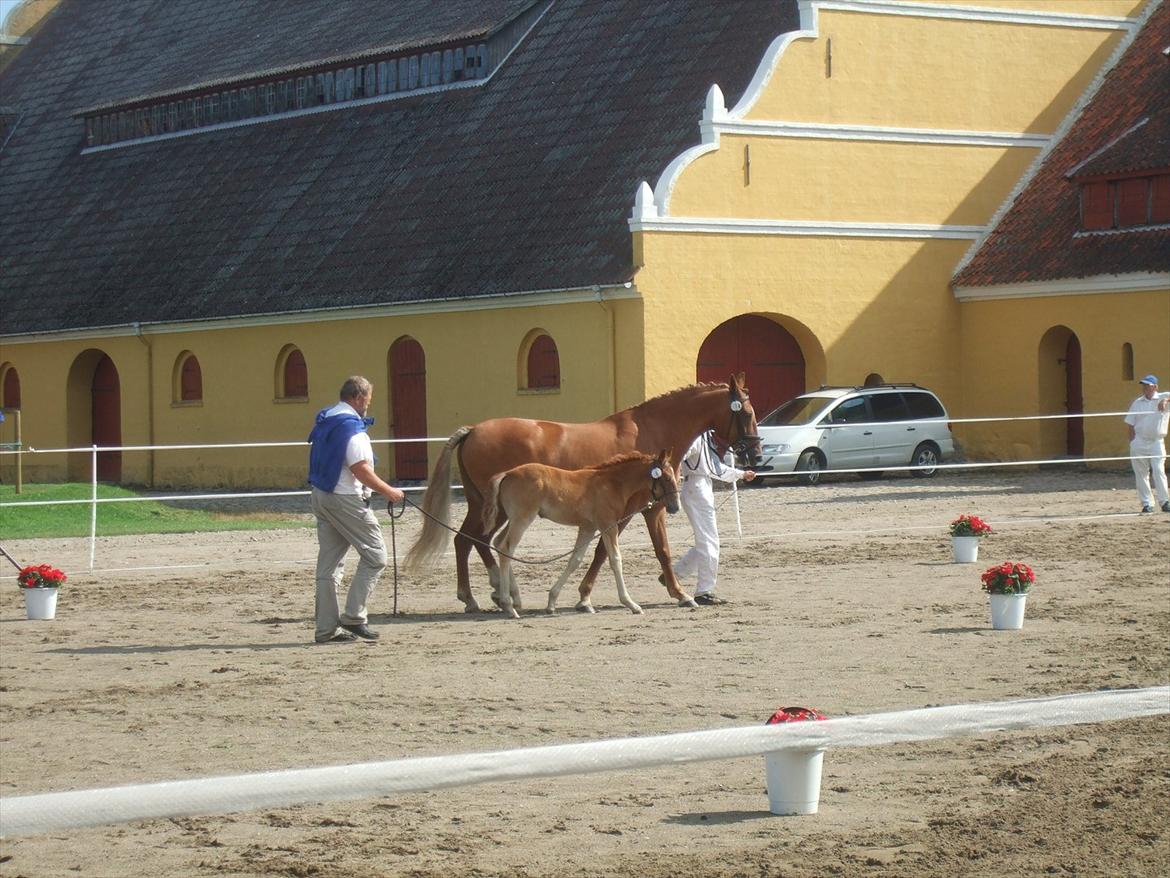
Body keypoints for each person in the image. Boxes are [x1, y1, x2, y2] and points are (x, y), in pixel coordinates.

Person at [308, 376, 404, 643]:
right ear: (358, 397)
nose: (368, 406)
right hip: (346, 499)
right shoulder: (352, 429)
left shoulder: (326, 419)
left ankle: (326, 629)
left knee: (328, 567)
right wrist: (390, 491)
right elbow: (360, 469)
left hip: (321, 496)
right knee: (376, 556)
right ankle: (354, 616)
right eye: (368, 401)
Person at [668, 430, 755, 605]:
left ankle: (674, 574)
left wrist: (741, 474)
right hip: (697, 487)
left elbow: (715, 467)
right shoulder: (694, 438)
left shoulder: (703, 437)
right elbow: (681, 455)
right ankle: (704, 591)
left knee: (705, 540)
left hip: (700, 486)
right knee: (709, 541)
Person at [1124, 374, 1170, 514]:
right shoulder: (1137, 402)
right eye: (1143, 386)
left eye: (1148, 386)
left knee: (1158, 470)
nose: (1145, 388)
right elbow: (1131, 423)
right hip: (1140, 441)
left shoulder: (1164, 396)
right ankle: (1147, 503)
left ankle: (1165, 502)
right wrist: (1132, 442)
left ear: (1155, 387)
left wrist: (1166, 400)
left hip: (1156, 441)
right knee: (1141, 473)